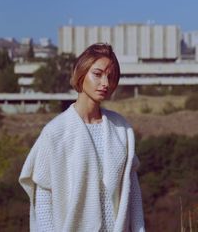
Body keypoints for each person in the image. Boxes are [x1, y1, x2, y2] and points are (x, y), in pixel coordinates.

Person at [19, 43, 145, 232]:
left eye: (110, 77)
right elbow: (44, 197)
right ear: (81, 73)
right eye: (97, 74)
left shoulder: (121, 129)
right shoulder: (56, 132)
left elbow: (132, 191)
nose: (105, 83)